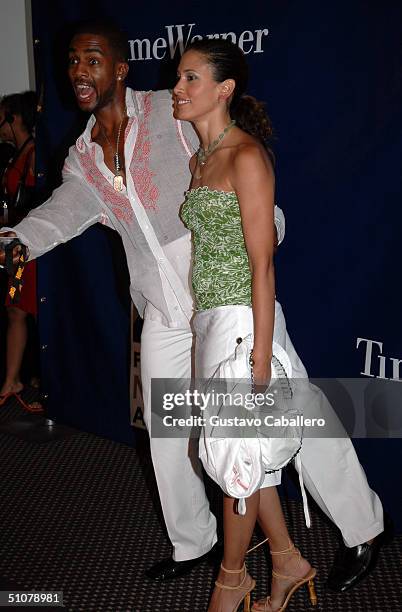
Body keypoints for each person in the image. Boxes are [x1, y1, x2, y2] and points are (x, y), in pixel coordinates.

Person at [0, 20, 387, 595]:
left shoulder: (169, 109)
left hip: (223, 288)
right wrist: (19, 240)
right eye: (73, 63)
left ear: (120, 67)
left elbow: (232, 156)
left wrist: (260, 230)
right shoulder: (82, 155)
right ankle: (195, 542)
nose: (80, 71)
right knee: (169, 424)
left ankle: (363, 527)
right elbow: (65, 209)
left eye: (93, 59)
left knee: (292, 411)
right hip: (162, 305)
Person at [176, 38, 319, 612]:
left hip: (243, 327)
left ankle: (231, 581)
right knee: (242, 454)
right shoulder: (199, 159)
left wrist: (261, 353)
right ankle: (286, 560)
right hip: (210, 324)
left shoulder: (246, 157)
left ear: (224, 88)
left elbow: (263, 262)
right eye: (178, 79)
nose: (177, 89)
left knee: (235, 461)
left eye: (189, 79)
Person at [0, 92, 42, 412]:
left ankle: (34, 380)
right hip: (16, 251)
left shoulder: (33, 155)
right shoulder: (17, 155)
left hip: (29, 250)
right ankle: (13, 380)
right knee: (15, 309)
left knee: (28, 311)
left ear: (14, 118)